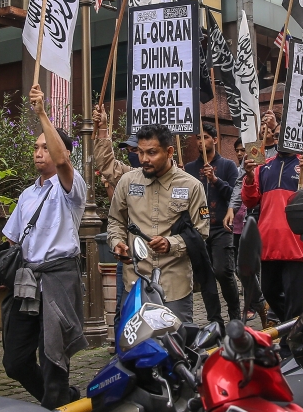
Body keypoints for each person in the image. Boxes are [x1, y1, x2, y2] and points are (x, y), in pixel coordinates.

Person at [0, 84, 88, 409]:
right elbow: (12, 239)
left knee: (53, 360)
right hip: (27, 280)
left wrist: (42, 113)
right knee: (15, 362)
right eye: (36, 147)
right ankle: (65, 399)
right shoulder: (27, 194)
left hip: (59, 277)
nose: (38, 152)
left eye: (45, 147)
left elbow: (62, 161)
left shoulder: (71, 186)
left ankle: (54, 411)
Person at [108, 124, 209, 323]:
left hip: (174, 287)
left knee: (175, 348)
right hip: (135, 284)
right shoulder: (127, 182)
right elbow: (115, 221)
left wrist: (171, 243)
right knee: (135, 350)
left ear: (169, 151)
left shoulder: (191, 186)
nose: (144, 159)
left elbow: (202, 232)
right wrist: (117, 243)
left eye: (152, 153)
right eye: (140, 152)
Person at [242, 147, 303, 322]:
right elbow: (249, 200)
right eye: (276, 134)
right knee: (269, 292)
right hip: (268, 242)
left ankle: (291, 339)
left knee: (294, 300)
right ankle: (295, 327)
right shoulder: (262, 166)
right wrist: (249, 178)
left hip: (294, 241)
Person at [184, 123, 240, 328]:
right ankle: (215, 320)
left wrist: (215, 180)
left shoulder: (227, 166)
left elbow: (235, 195)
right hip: (199, 229)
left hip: (220, 226)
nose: (201, 142)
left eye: (205, 137)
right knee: (205, 276)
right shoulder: (189, 168)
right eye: (198, 138)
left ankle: (235, 314)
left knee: (223, 271)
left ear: (215, 140)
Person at [92, 104, 137, 328]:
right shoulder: (129, 176)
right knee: (123, 307)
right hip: (129, 257)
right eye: (129, 151)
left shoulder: (180, 181)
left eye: (137, 150)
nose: (139, 156)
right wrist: (101, 130)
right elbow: (108, 164)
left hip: (163, 261)